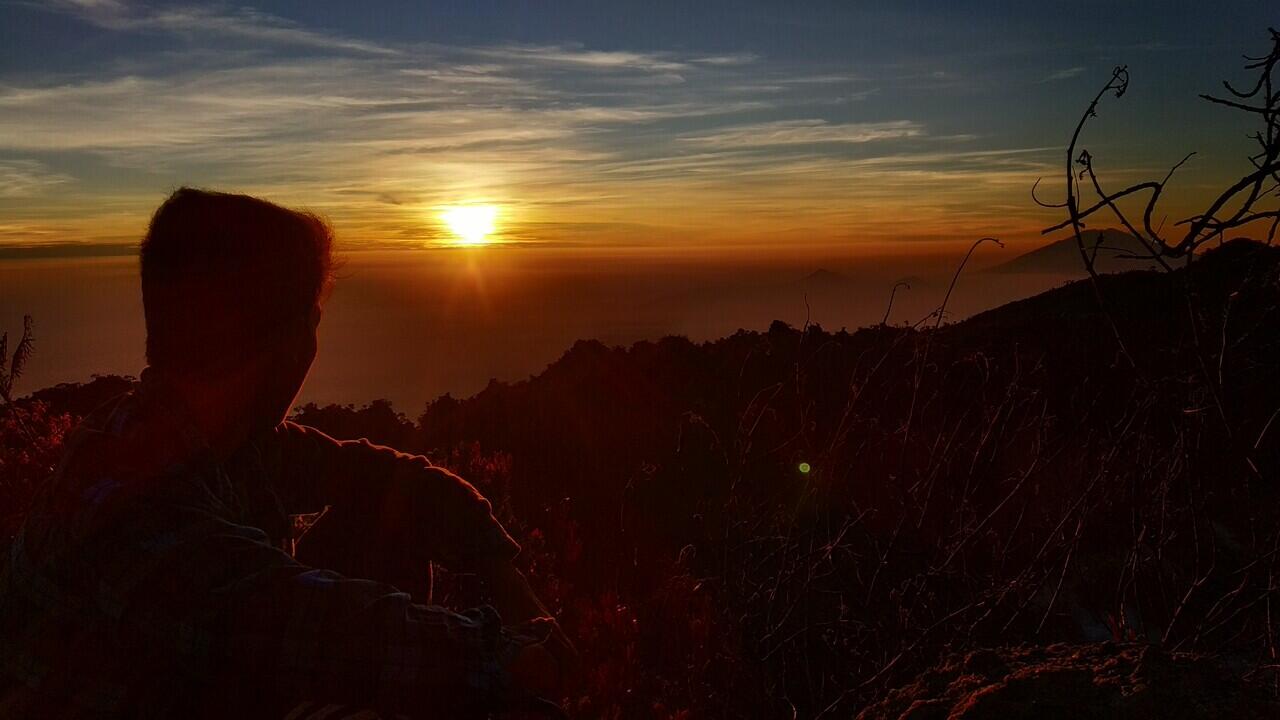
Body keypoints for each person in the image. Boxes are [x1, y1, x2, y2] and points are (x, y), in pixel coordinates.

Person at [0, 189, 572, 718]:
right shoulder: (144, 520)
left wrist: (487, 548)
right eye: (314, 320)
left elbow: (372, 474)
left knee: (383, 518)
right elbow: (324, 628)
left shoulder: (197, 436)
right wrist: (516, 653)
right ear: (295, 336)